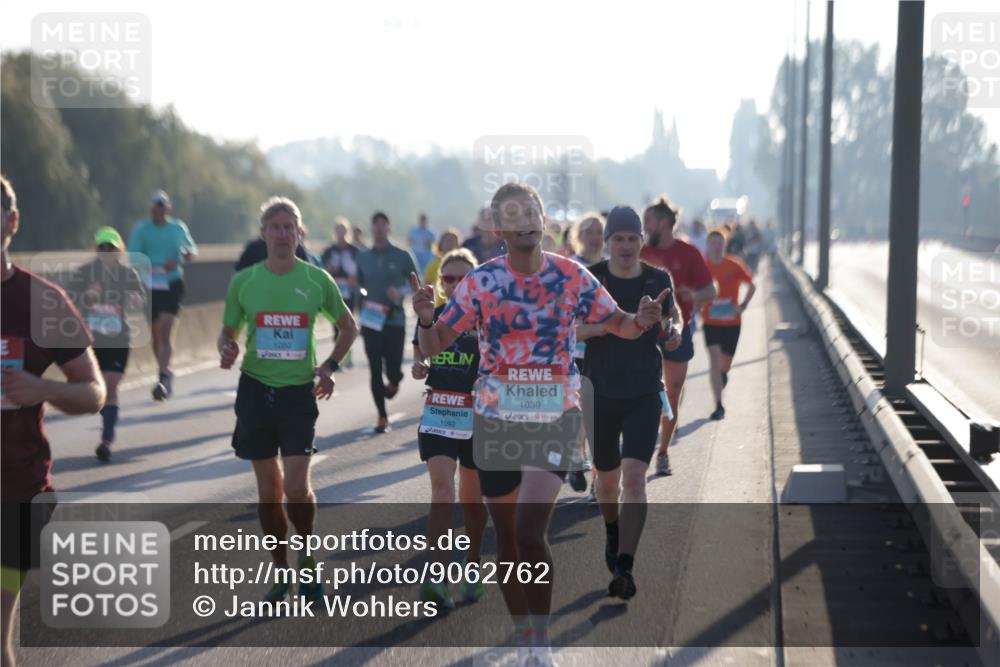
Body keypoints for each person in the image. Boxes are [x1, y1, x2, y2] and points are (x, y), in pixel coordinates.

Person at [412, 182, 667, 664]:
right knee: (507, 541)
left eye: (531, 211)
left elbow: (618, 323)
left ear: (543, 221)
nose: (524, 220)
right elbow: (435, 345)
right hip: (495, 421)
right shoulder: (481, 282)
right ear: (498, 228)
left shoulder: (571, 277)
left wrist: (643, 319)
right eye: (513, 214)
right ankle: (526, 637)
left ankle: (543, 644)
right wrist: (427, 320)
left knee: (531, 532)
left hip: (555, 414)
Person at [218, 196, 357, 605]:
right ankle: (280, 571)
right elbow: (227, 332)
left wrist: (329, 365)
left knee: (296, 486)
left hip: (298, 393)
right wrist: (226, 347)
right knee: (268, 493)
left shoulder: (317, 280)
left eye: (289, 226)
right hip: (256, 391)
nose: (282, 233)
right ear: (264, 234)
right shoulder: (244, 282)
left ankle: (308, 557)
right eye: (274, 227)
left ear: (300, 233)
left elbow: (347, 327)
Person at [1, 175, 105, 667]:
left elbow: (94, 391)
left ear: (11, 222)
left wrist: (43, 389)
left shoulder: (43, 302)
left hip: (17, 491)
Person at [577, 206, 682, 600]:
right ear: (607, 243)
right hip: (599, 392)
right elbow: (571, 330)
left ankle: (625, 566)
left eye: (631, 238)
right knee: (608, 482)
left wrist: (671, 331)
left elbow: (675, 319)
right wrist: (613, 324)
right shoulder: (591, 281)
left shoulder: (657, 279)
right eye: (618, 239)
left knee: (635, 479)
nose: (625, 245)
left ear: (641, 241)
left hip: (642, 391)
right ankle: (611, 529)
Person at [410, 247, 488, 609]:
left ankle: (472, 564)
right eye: (449, 279)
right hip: (441, 413)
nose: (456, 285)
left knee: (472, 502)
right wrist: (426, 324)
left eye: (464, 278)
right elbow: (424, 352)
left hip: (480, 417)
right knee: (443, 491)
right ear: (441, 283)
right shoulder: (434, 314)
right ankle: (437, 575)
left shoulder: (491, 318)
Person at [641, 195, 716, 476]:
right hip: (642, 333)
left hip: (677, 331)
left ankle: (662, 452)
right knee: (643, 395)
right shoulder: (639, 251)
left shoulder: (688, 253)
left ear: (663, 222)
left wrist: (694, 295)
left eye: (647, 220)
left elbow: (712, 291)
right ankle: (638, 447)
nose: (644, 226)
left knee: (672, 394)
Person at [65, 227, 146, 462]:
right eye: (102, 247)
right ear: (96, 250)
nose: (107, 251)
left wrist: (134, 300)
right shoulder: (84, 273)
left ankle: (106, 439)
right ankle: (105, 423)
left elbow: (139, 301)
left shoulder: (128, 275)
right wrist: (86, 298)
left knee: (110, 385)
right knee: (93, 388)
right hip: (91, 340)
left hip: (118, 340)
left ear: (120, 250)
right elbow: (68, 302)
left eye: (111, 246)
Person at [127, 189, 197, 401]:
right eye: (155, 206)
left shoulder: (178, 228)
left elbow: (191, 251)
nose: (159, 210)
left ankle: (162, 377)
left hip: (172, 282)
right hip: (149, 285)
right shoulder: (141, 230)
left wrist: (180, 259)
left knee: (166, 330)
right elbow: (133, 257)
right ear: (151, 208)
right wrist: (150, 265)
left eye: (162, 206)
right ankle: (166, 370)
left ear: (168, 208)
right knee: (155, 335)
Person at [357, 212, 419, 433]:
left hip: (394, 319)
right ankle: (382, 417)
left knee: (393, 367)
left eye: (384, 225)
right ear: (372, 229)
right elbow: (358, 286)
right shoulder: (362, 257)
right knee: (374, 368)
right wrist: (358, 310)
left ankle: (394, 380)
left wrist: (399, 291)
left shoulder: (402, 255)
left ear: (389, 228)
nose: (380, 229)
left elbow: (415, 285)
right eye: (376, 225)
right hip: (371, 320)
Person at [701, 230, 756, 421]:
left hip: (732, 323)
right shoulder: (702, 266)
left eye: (720, 243)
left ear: (724, 245)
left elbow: (752, 285)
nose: (716, 247)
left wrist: (743, 306)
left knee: (725, 364)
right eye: (713, 243)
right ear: (707, 245)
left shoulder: (733, 264)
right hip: (710, 322)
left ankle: (723, 375)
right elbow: (693, 288)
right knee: (714, 360)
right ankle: (718, 405)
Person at [422, 228, 461, 307]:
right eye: (447, 241)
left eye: (452, 241)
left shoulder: (462, 265)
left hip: (460, 307)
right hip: (440, 307)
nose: (449, 244)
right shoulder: (433, 265)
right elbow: (426, 288)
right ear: (440, 244)